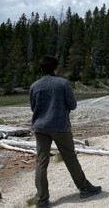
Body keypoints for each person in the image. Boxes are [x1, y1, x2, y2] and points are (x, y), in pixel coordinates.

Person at [29, 55, 101, 208]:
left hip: (40, 128)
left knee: (41, 162)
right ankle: (85, 188)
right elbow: (73, 105)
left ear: (42, 69)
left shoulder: (34, 86)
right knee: (70, 158)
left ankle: (41, 200)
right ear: (56, 68)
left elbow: (33, 107)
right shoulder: (63, 83)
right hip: (60, 126)